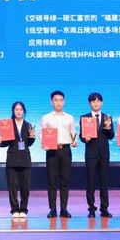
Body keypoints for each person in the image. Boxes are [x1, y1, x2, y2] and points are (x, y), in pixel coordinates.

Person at [40, 90, 78, 218]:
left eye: (61, 100)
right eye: (56, 100)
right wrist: (44, 143)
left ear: (64, 102)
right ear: (51, 102)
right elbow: (42, 134)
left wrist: (74, 141)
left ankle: (64, 209)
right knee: (52, 181)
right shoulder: (46, 118)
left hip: (66, 150)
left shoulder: (70, 118)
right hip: (51, 151)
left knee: (65, 181)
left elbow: (73, 132)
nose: (58, 103)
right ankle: (52, 209)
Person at [0, 101, 36, 219]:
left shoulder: (28, 125)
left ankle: (23, 209)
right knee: (12, 187)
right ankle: (14, 209)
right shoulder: (8, 125)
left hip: (25, 158)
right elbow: (5, 143)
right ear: (13, 111)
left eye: (21, 109)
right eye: (16, 109)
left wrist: (32, 137)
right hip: (12, 158)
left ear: (24, 111)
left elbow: (29, 144)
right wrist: (0, 141)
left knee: (25, 187)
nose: (18, 111)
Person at [80, 92, 115, 218]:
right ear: (89, 103)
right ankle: (91, 209)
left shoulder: (107, 117)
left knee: (104, 182)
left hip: (104, 154)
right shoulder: (84, 117)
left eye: (98, 101)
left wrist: (108, 127)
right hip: (91, 154)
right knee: (90, 182)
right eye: (93, 101)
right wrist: (86, 139)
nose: (96, 103)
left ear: (102, 103)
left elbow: (111, 136)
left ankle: (104, 208)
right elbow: (82, 136)